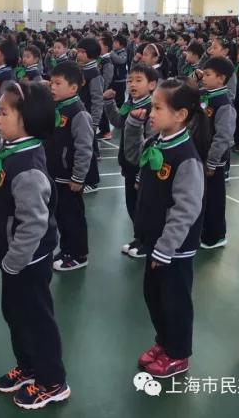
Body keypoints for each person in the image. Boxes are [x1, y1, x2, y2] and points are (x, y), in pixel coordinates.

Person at [0, 82, 70, 410]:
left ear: (27, 121)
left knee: (36, 320)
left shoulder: (28, 167)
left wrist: (14, 262)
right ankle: (29, 366)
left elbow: (33, 224)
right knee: (15, 315)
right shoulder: (11, 150)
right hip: (13, 260)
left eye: (4, 113)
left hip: (27, 262)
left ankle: (53, 381)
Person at [125, 79, 210, 378]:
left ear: (180, 115)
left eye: (158, 108)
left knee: (174, 302)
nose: (151, 113)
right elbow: (133, 158)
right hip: (155, 240)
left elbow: (186, 209)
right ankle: (164, 342)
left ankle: (178, 354)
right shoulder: (155, 142)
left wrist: (166, 247)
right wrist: (133, 126)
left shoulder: (186, 157)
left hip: (174, 247)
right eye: (152, 107)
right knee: (154, 297)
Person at [105, 64, 157, 258]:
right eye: (129, 80)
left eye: (138, 80)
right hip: (129, 164)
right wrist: (109, 102)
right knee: (132, 205)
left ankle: (148, 242)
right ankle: (140, 238)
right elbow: (118, 122)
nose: (132, 84)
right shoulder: (131, 103)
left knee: (144, 207)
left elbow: (151, 144)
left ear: (152, 84)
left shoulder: (151, 109)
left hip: (141, 168)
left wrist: (141, 174)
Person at [45, 62, 94, 272]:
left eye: (58, 83)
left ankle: (78, 254)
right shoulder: (58, 107)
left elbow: (84, 148)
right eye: (51, 83)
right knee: (61, 216)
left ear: (73, 88)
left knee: (73, 217)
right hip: (56, 175)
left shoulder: (78, 113)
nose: (52, 87)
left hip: (69, 178)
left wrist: (78, 177)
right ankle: (67, 249)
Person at [198, 57, 236, 250]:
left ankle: (216, 235)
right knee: (202, 196)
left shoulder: (224, 103)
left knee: (214, 199)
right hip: (200, 156)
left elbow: (223, 136)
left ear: (221, 78)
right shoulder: (205, 95)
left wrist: (212, 162)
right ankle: (204, 229)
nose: (203, 77)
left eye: (207, 74)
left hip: (213, 161)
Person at [75, 38, 103, 193]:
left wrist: (95, 122)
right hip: (80, 116)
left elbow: (97, 99)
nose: (78, 54)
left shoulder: (94, 73)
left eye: (82, 52)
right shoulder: (82, 69)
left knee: (89, 151)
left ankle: (92, 182)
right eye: (78, 51)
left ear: (91, 54)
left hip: (89, 118)